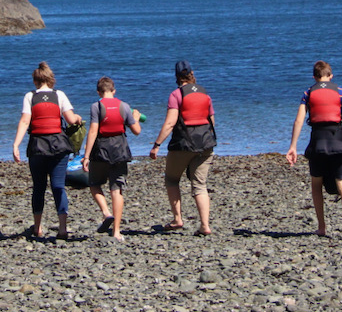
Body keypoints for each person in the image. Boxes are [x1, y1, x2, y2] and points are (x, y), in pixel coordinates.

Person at [285, 61, 342, 240]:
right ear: (331, 76)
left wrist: (293, 146)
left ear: (314, 77)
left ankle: (321, 227)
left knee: (316, 184)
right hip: (337, 142)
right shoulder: (341, 92)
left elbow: (298, 121)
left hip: (317, 143)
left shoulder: (308, 93)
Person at [12, 61, 83, 240]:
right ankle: (62, 228)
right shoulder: (59, 95)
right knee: (58, 186)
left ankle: (37, 227)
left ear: (35, 81)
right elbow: (70, 118)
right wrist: (78, 118)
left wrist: (16, 145)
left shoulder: (30, 96)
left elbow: (24, 122)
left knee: (39, 187)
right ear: (50, 79)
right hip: (59, 144)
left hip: (37, 146)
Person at [149, 60, 216, 236]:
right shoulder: (204, 93)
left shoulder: (176, 94)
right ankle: (205, 225)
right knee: (200, 185)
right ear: (192, 73)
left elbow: (170, 123)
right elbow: (212, 121)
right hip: (205, 143)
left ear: (177, 76)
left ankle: (178, 219)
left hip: (183, 144)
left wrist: (157, 145)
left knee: (172, 179)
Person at [81, 76, 143, 241]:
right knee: (117, 190)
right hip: (120, 150)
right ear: (114, 91)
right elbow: (137, 131)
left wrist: (86, 156)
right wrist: (135, 117)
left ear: (98, 92)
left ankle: (106, 212)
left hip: (101, 150)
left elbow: (93, 131)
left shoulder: (96, 106)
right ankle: (116, 232)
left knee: (94, 184)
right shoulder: (124, 106)